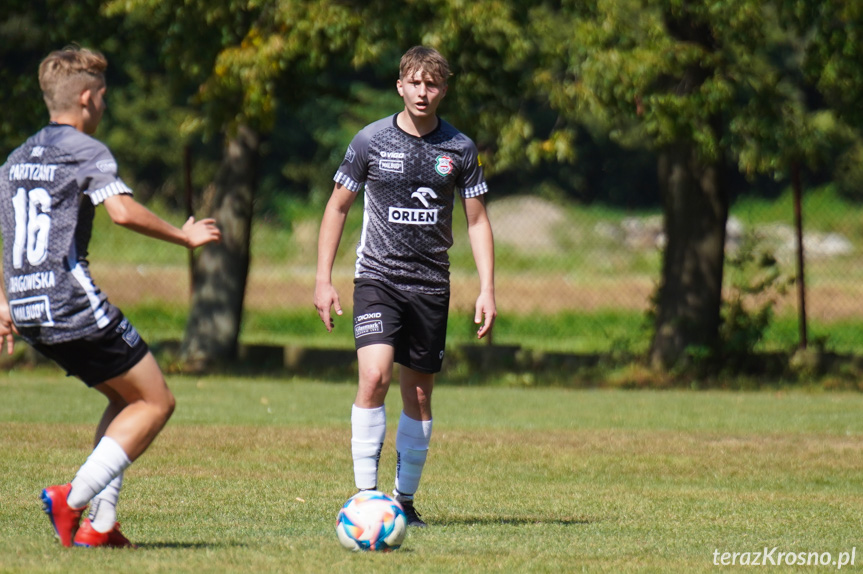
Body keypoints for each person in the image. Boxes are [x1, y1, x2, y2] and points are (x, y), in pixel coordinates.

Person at [0, 46, 221, 548]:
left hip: (31, 308)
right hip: (70, 302)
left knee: (126, 398)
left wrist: (5, 303)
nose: (104, 106)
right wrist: (183, 236)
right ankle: (72, 500)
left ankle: (100, 527)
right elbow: (122, 212)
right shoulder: (85, 150)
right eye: (102, 96)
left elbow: (7, 235)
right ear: (85, 98)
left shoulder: (16, 157)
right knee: (157, 401)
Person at [314, 46, 496, 527]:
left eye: (432, 84)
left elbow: (477, 222)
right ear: (400, 85)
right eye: (414, 82)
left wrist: (487, 288)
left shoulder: (459, 149)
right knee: (373, 377)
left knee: (417, 396)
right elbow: (336, 208)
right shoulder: (370, 141)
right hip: (377, 279)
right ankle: (365, 497)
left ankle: (406, 503)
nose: (422, 91)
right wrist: (322, 279)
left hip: (431, 285)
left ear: (443, 89)